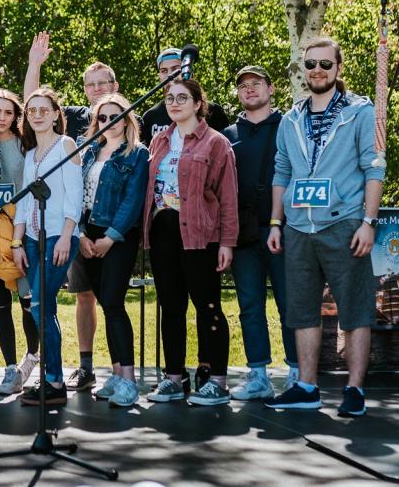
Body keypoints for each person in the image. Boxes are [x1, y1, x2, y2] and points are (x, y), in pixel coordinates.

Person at [266, 36, 382, 418]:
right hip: (298, 226)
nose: (317, 70)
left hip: (344, 223)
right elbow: (282, 171)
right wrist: (275, 222)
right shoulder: (291, 118)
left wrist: (368, 221)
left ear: (339, 68)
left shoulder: (360, 111)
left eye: (325, 64)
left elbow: (374, 168)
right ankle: (307, 387)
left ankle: (354, 389)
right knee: (301, 311)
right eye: (310, 64)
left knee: (355, 308)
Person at [24, 31, 118, 390]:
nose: (96, 89)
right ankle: (85, 365)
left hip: (105, 228)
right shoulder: (77, 121)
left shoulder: (123, 119)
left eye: (102, 83)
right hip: (73, 226)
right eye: (90, 85)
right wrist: (35, 65)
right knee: (82, 296)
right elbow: (33, 103)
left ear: (114, 84)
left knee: (112, 300)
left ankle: (120, 372)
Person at [141, 78, 238, 407]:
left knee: (207, 306)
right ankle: (173, 378)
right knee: (170, 306)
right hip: (163, 234)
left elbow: (227, 198)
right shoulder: (160, 142)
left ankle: (218, 382)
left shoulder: (216, 143)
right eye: (170, 98)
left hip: (201, 237)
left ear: (198, 104)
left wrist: (227, 242)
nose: (175, 103)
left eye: (183, 98)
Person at [223, 65, 299, 400]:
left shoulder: (290, 126)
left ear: (270, 89)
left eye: (256, 84)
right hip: (243, 234)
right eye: (243, 86)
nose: (249, 90)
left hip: (284, 229)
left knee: (289, 304)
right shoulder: (227, 135)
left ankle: (298, 373)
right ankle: (258, 375)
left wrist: (283, 222)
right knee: (250, 305)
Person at [77, 94, 149, 408]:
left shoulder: (137, 154)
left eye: (116, 116)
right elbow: (76, 195)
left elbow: (133, 201)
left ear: (127, 118)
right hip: (87, 235)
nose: (110, 122)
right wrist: (80, 234)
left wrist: (111, 237)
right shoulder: (89, 152)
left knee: (115, 303)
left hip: (117, 237)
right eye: (103, 117)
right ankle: (117, 375)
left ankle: (129, 381)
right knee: (105, 303)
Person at [12, 88, 82, 406]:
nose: (38, 115)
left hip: (58, 236)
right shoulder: (30, 154)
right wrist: (17, 240)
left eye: (44, 109)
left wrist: (67, 236)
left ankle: (54, 379)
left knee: (40, 303)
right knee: (42, 306)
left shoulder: (66, 145)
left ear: (56, 114)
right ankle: (51, 379)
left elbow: (74, 195)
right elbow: (26, 202)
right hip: (32, 238)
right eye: (32, 110)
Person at [0, 89, 40, 395]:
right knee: (0, 304)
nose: (2, 117)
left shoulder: (24, 144)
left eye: (8, 112)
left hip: (20, 232)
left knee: (28, 302)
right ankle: (9, 369)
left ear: (16, 116)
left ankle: (33, 357)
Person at [140, 46, 232, 144]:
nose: (169, 75)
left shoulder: (213, 111)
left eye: (175, 68)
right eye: (164, 71)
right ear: (159, 76)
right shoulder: (150, 116)